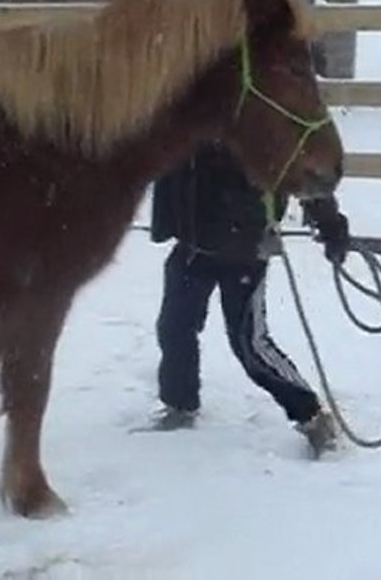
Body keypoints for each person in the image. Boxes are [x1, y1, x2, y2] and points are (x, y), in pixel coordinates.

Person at [149, 141, 351, 456]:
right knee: (174, 328)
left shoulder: (257, 123)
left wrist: (330, 225)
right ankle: (179, 403)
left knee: (250, 344)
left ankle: (310, 415)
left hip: (245, 251)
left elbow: (301, 170)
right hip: (192, 247)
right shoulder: (187, 117)